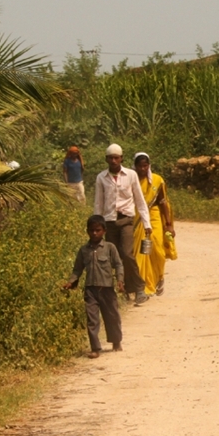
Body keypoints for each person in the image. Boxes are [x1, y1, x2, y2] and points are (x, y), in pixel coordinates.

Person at [93, 143, 152, 305]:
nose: (113, 161)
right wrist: (96, 227)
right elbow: (98, 203)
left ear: (121, 159)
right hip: (109, 222)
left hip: (126, 220)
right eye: (110, 158)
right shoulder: (101, 178)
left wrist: (147, 223)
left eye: (116, 158)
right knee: (114, 258)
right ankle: (122, 290)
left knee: (127, 253)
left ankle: (139, 288)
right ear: (106, 159)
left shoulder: (131, 175)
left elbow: (139, 200)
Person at [62, 215, 125, 359]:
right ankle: (95, 348)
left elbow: (118, 264)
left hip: (107, 289)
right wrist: (71, 281)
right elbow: (77, 269)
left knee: (112, 316)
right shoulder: (84, 250)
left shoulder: (110, 248)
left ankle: (116, 341)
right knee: (92, 319)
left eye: (98, 230)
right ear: (87, 231)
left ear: (104, 231)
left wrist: (120, 280)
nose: (94, 233)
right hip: (91, 290)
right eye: (91, 230)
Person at [132, 152, 174, 296]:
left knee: (157, 247)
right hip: (138, 218)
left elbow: (163, 202)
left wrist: (168, 224)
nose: (143, 169)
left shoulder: (157, 180)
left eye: (145, 166)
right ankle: (145, 285)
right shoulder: (131, 180)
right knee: (143, 252)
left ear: (149, 166)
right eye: (140, 166)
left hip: (154, 214)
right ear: (135, 166)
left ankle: (160, 277)